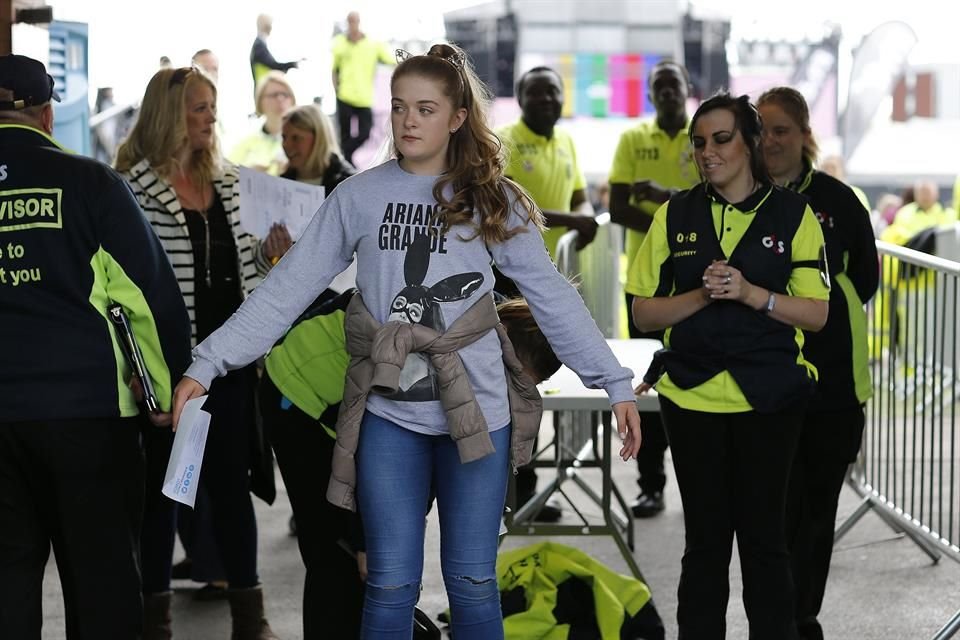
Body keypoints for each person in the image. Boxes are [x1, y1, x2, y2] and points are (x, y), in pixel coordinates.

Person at [170, 43, 642, 640]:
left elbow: (551, 294)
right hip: (391, 414)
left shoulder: (492, 199)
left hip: (479, 415)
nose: (408, 121)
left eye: (425, 108)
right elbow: (285, 290)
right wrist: (207, 363)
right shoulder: (359, 197)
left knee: (473, 583)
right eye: (398, 108)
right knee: (390, 584)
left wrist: (614, 382)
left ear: (457, 117)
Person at [0, 54, 191, 639]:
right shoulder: (88, 183)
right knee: (102, 581)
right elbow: (148, 298)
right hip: (88, 417)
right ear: (47, 114)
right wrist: (167, 391)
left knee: (4, 585)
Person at [628, 91, 830, 638]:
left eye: (721, 140)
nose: (707, 153)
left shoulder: (795, 215)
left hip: (770, 399)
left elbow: (816, 314)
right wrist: (701, 295)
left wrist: (751, 293)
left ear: (751, 143)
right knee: (705, 546)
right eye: (699, 143)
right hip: (690, 399)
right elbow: (643, 313)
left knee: (766, 543)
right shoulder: (674, 214)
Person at [260, 290, 562, 638]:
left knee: (368, 563)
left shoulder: (477, 343)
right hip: (300, 397)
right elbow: (372, 442)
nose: (506, 386)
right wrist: (365, 539)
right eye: (509, 373)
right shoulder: (437, 341)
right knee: (332, 552)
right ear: (503, 331)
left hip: (348, 406)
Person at [115, 66, 287, 640]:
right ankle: (154, 620)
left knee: (230, 492)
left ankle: (250, 616)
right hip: (166, 371)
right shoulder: (131, 190)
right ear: (169, 116)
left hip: (229, 365)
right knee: (161, 499)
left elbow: (248, 271)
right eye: (199, 108)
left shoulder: (232, 182)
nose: (211, 118)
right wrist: (138, 370)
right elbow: (120, 291)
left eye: (213, 107)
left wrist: (269, 257)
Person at [758, 86, 880, 640]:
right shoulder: (741, 198)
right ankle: (777, 617)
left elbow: (867, 282)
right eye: (760, 129)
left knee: (816, 510)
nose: (770, 141)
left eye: (781, 129)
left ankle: (802, 617)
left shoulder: (839, 200)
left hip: (833, 386)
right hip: (763, 382)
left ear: (805, 135)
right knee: (773, 510)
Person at [496, 65, 597, 521]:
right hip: (507, 281)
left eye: (553, 92)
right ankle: (505, 493)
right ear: (520, 98)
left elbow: (579, 199)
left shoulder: (567, 142)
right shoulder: (504, 141)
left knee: (533, 385)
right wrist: (572, 222)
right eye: (536, 93)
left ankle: (528, 493)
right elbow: (505, 205)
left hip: (547, 284)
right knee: (508, 387)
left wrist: (585, 215)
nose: (546, 100)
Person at [608, 59, 699, 518]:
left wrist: (666, 207)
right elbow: (619, 207)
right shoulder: (631, 139)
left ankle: (700, 482)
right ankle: (651, 483)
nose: (666, 92)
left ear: (686, 88)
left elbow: (715, 199)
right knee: (649, 380)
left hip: (698, 281)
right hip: (646, 280)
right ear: (651, 93)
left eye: (673, 84)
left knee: (696, 372)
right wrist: (676, 224)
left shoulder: (703, 135)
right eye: (658, 86)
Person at [331, 11, 394, 164]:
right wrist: (336, 91)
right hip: (344, 95)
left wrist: (412, 61)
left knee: (365, 133)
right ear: (347, 22)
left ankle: (344, 157)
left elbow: (390, 59)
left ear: (359, 22)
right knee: (345, 134)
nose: (352, 24)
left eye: (355, 21)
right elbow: (334, 69)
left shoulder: (372, 44)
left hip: (364, 97)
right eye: (350, 21)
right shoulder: (339, 42)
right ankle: (347, 164)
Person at [230, 71, 296, 175]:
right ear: (260, 101)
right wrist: (246, 174)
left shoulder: (304, 140)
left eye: (285, 94)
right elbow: (228, 174)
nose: (280, 99)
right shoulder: (245, 142)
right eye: (274, 95)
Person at [280, 103, 355, 191]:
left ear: (319, 139)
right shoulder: (280, 183)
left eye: (296, 138)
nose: (286, 145)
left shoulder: (349, 185)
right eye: (284, 137)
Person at [880, 180, 958, 246]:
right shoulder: (905, 212)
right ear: (915, 194)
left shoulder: (948, 213)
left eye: (928, 193)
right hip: (911, 258)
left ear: (936, 194)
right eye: (921, 193)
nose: (925, 196)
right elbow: (896, 235)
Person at [250, 13, 299, 92]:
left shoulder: (260, 45)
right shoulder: (259, 46)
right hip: (264, 91)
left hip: (265, 90)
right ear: (267, 25)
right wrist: (293, 64)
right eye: (270, 24)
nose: (271, 27)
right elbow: (273, 66)